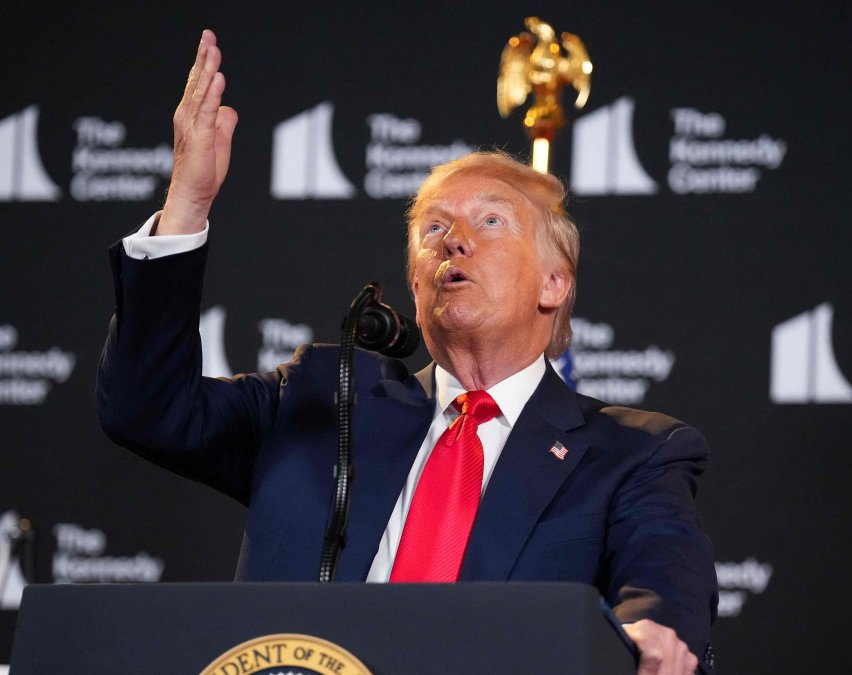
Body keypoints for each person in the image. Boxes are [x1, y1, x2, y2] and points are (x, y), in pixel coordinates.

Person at [97, 29, 717, 675]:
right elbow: (145, 409)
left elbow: (665, 569)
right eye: (433, 227)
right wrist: (187, 204)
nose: (454, 241)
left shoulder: (633, 451)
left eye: (491, 220)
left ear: (554, 283)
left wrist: (653, 628)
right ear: (416, 286)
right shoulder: (318, 399)